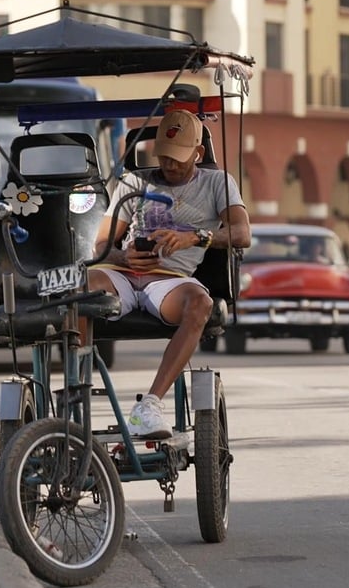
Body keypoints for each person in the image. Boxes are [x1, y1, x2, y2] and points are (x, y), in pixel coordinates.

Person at [88, 109, 251, 438]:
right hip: (122, 272)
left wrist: (196, 237)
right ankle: (77, 394)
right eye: (164, 156)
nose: (169, 164)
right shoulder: (134, 182)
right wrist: (124, 254)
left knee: (200, 304)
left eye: (178, 158)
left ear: (198, 153)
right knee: (79, 287)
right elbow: (101, 242)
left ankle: (148, 406)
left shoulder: (217, 182)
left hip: (169, 281)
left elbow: (242, 233)